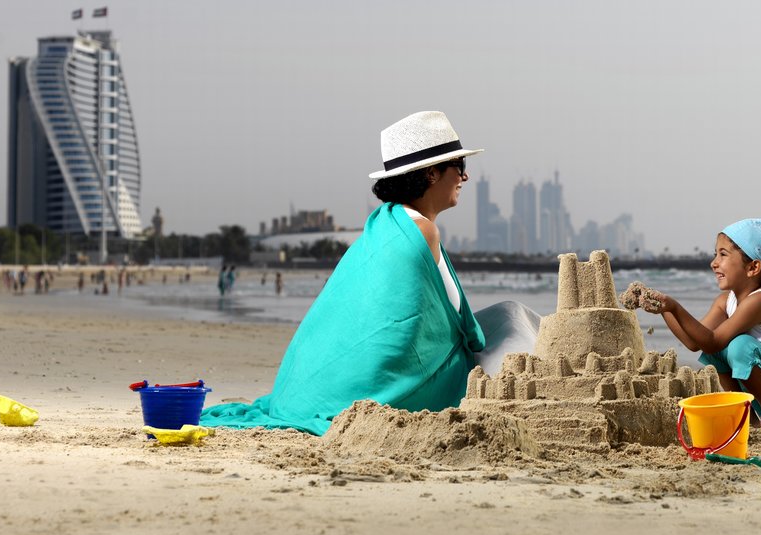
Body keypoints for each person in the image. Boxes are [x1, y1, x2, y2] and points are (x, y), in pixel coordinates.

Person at [201, 111, 538, 435]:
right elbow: (461, 326)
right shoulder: (422, 231)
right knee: (513, 315)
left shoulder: (384, 224)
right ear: (433, 173)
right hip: (399, 387)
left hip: (316, 391)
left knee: (509, 320)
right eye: (459, 166)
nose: (464, 177)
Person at [641, 218, 761, 431]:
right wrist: (666, 309)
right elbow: (694, 342)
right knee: (717, 351)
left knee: (738, 346)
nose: (714, 262)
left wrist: (676, 306)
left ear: (753, 267)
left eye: (723, 254)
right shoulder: (727, 301)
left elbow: (713, 341)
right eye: (715, 254)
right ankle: (750, 418)